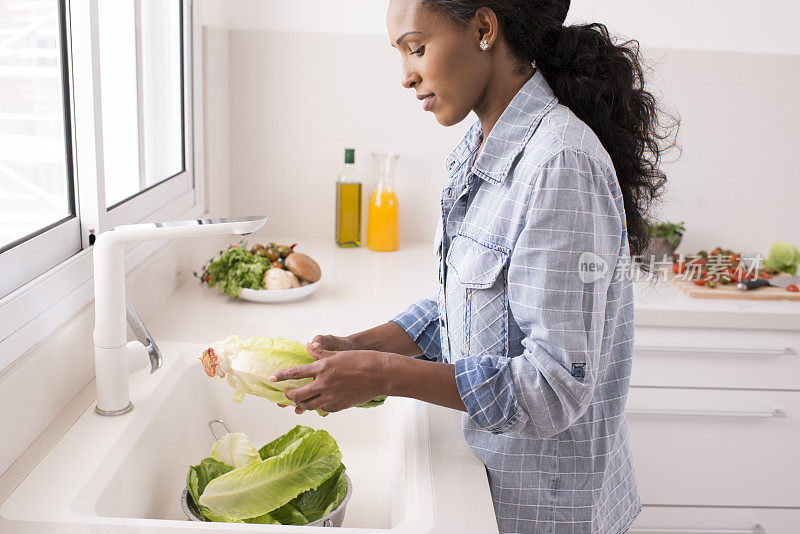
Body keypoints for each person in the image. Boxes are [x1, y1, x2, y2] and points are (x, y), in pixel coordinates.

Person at [270, 0, 678, 531]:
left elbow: (553, 387)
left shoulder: (559, 163)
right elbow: (464, 307)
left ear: (485, 28)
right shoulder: (476, 145)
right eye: (399, 55)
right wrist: (364, 345)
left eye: (417, 48)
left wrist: (384, 374)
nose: (406, 75)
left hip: (548, 512)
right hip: (492, 485)